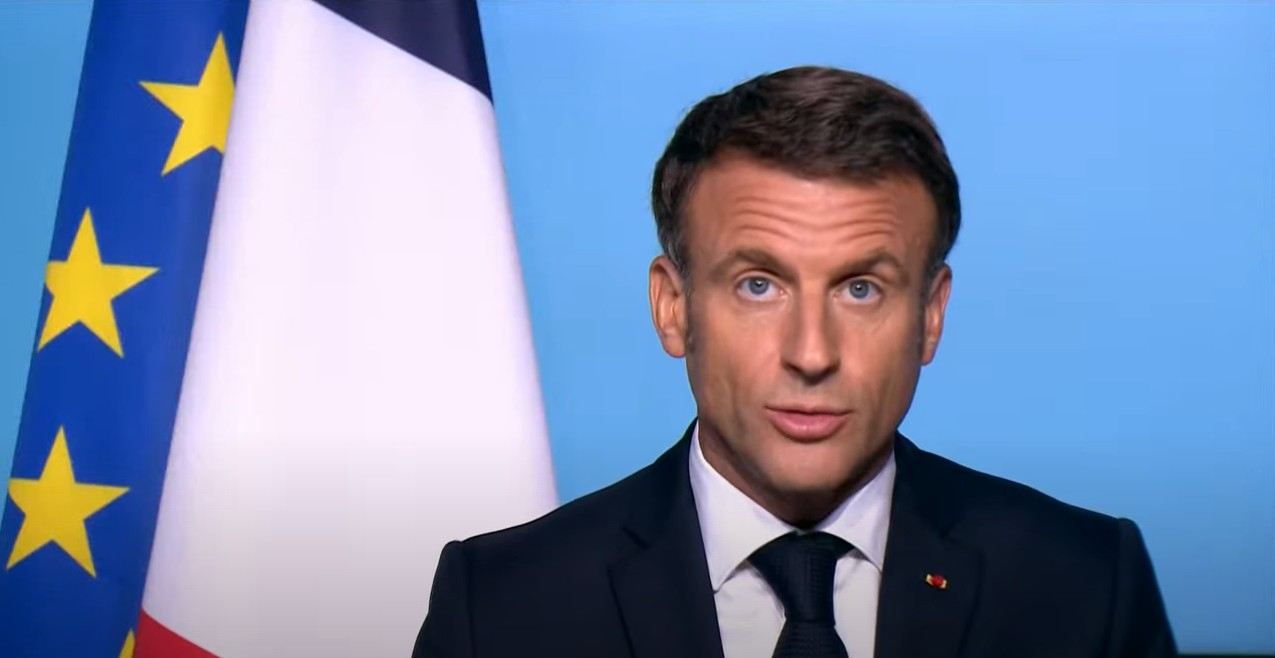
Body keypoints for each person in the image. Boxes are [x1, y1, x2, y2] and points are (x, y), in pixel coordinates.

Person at [412, 65, 1177, 658]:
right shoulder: (503, 606)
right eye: (758, 284)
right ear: (673, 307)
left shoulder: (1083, 588)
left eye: (860, 288)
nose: (811, 353)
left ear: (930, 316)